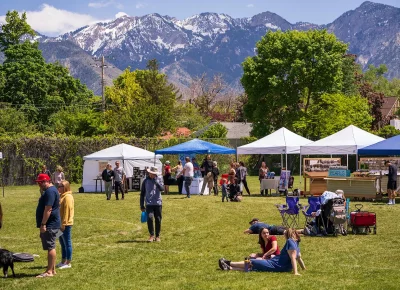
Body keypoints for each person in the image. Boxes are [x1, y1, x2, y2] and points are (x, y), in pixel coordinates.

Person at [219, 228, 305, 275]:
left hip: (276, 264)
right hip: (276, 263)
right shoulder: (296, 243)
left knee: (252, 262)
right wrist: (304, 269)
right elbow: (299, 257)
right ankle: (229, 268)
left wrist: (296, 272)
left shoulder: (290, 241)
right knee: (253, 267)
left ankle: (229, 263)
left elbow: (293, 258)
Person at [35, 173, 61, 278]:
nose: (39, 185)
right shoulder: (51, 190)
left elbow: (48, 209)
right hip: (53, 223)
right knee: (51, 245)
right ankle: (53, 269)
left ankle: (49, 271)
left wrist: (43, 224)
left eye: (40, 183)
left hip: (50, 224)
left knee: (50, 246)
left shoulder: (50, 191)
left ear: (46, 181)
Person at [140, 166, 164, 242]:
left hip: (158, 203)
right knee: (150, 218)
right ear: (149, 173)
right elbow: (142, 193)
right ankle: (151, 235)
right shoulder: (145, 181)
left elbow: (162, 189)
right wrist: (141, 205)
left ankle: (157, 236)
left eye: (154, 174)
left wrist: (156, 182)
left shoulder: (159, 179)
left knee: (158, 219)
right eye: (152, 173)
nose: (153, 175)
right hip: (149, 203)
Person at [56, 180, 74, 269]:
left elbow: (67, 211)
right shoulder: (61, 196)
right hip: (60, 223)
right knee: (62, 243)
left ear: (65, 187)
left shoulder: (67, 197)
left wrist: (63, 224)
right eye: (58, 186)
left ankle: (68, 262)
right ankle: (63, 260)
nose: (58, 188)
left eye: (60, 186)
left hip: (66, 224)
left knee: (67, 243)